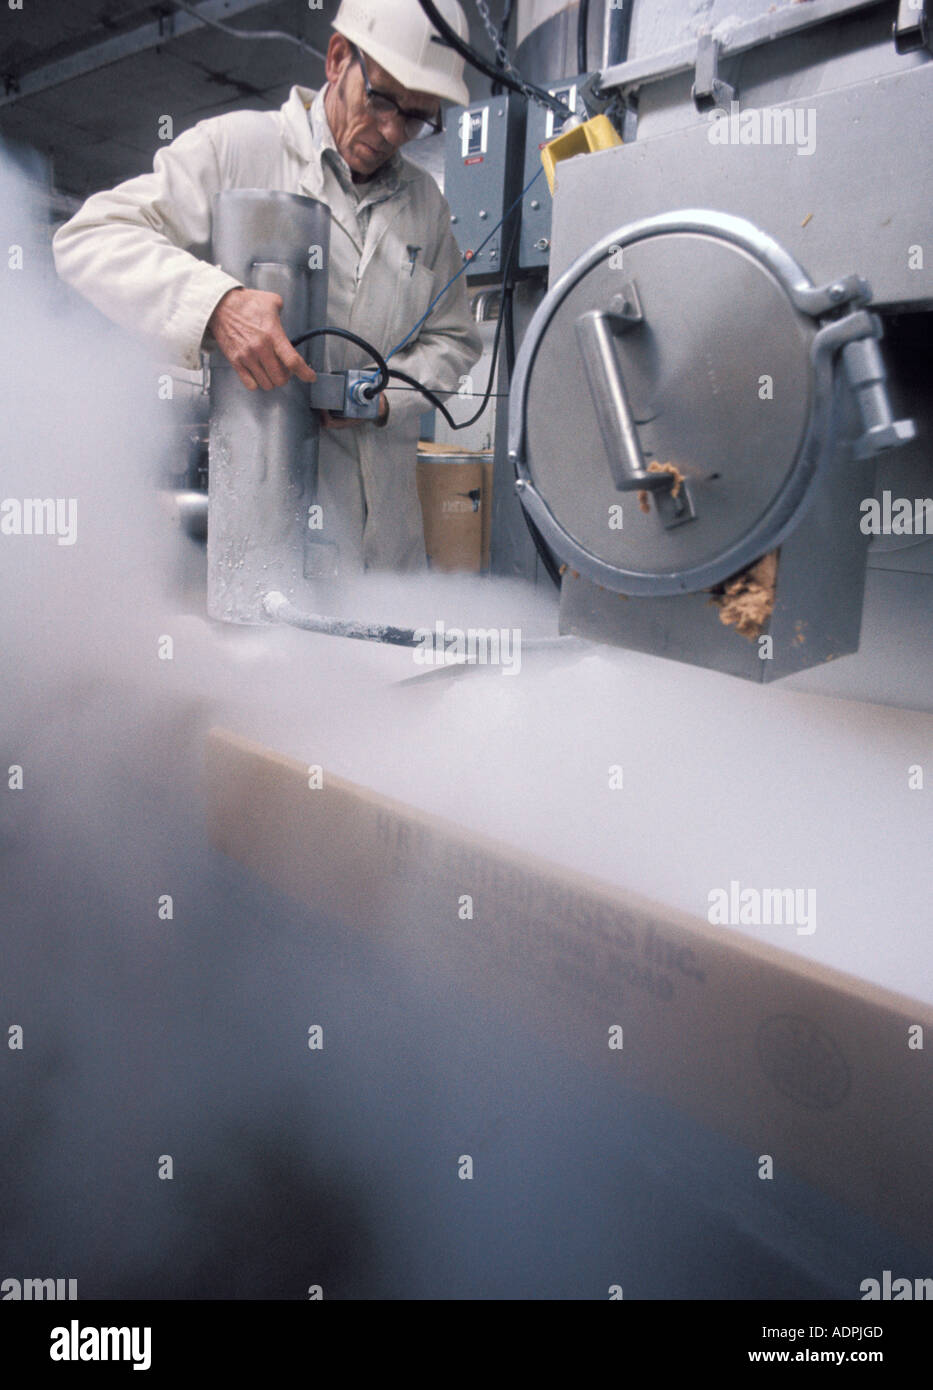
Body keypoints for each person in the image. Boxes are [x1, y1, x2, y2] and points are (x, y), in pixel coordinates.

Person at [53, 0, 482, 573]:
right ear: (337, 59)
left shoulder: (425, 205)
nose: (390, 131)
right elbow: (89, 237)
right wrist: (216, 305)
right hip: (270, 535)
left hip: (389, 551)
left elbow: (453, 341)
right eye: (381, 99)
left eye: (415, 117)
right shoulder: (238, 149)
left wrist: (386, 397)